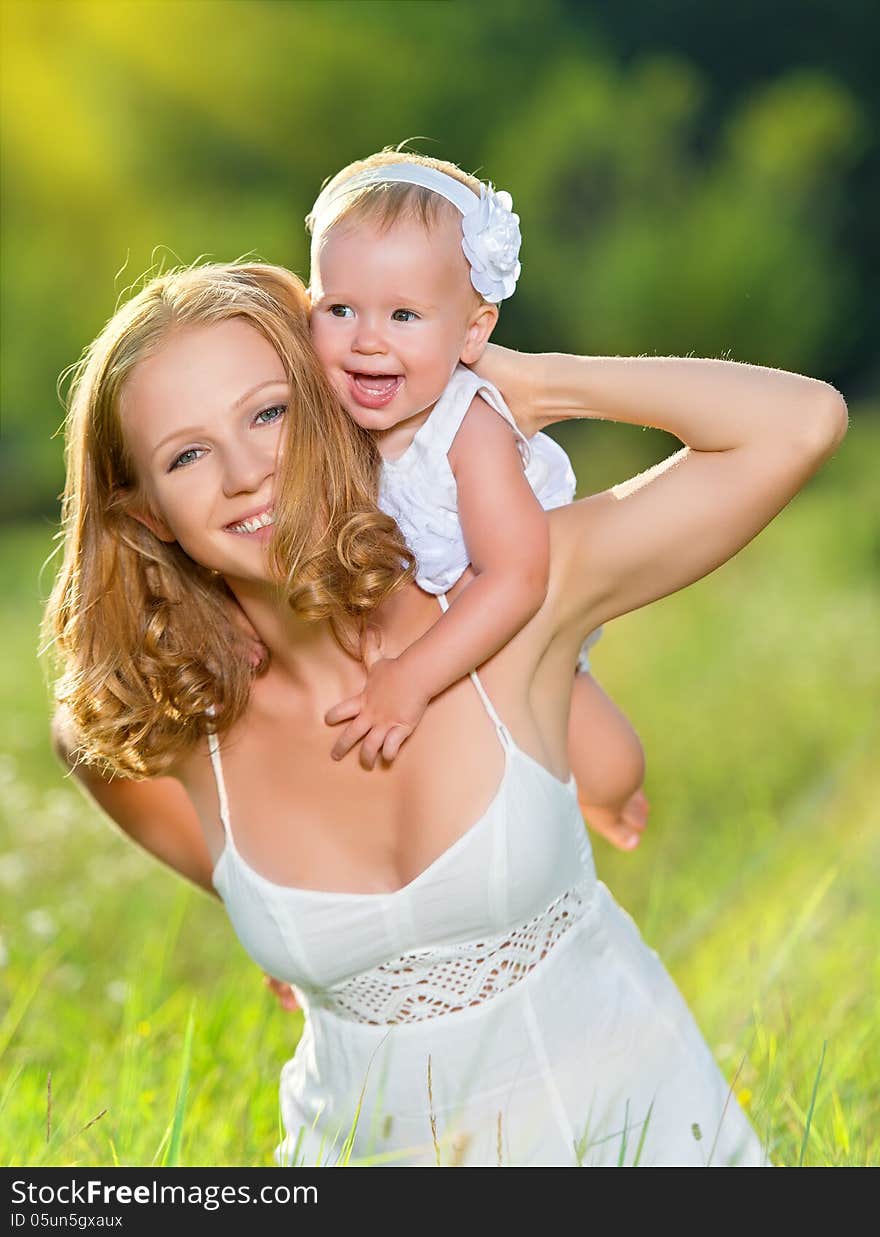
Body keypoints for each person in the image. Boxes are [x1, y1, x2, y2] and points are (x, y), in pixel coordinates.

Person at [45, 261, 847, 1166]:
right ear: (147, 513)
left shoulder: (506, 605)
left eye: (269, 412)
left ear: (337, 404)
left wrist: (526, 381)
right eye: (186, 454)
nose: (243, 473)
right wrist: (266, 910)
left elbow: (800, 422)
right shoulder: (183, 731)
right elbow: (82, 738)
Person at [305, 150, 647, 851]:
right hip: (394, 636)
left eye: (404, 314)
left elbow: (518, 576)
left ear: (472, 332)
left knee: (611, 763)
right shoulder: (325, 420)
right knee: (368, 759)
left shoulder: (470, 428)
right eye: (339, 308)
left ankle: (608, 804)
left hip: (515, 627)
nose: (368, 339)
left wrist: (413, 676)